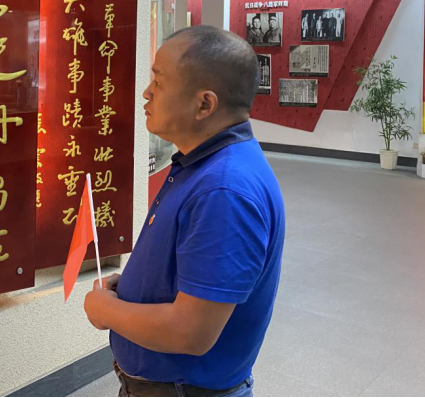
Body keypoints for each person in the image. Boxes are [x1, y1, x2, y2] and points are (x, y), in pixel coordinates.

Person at [83, 25, 285, 398]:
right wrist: (132, 288)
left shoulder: (223, 190)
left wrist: (104, 310)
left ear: (204, 104)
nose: (146, 93)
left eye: (159, 82)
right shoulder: (201, 165)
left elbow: (190, 332)